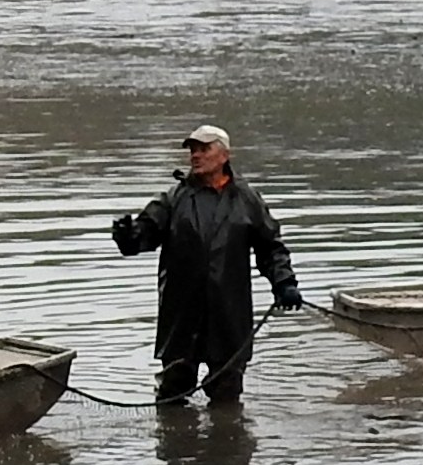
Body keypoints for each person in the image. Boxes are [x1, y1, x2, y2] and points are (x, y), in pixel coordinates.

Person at [113, 124, 304, 407]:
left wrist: (284, 282)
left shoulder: (247, 199)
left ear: (224, 155)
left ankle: (225, 444)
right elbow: (143, 236)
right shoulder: (174, 198)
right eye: (192, 150)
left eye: (204, 149)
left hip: (229, 311)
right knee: (172, 392)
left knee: (227, 396)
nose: (195, 156)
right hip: (181, 313)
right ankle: (175, 446)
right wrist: (128, 235)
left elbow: (270, 247)